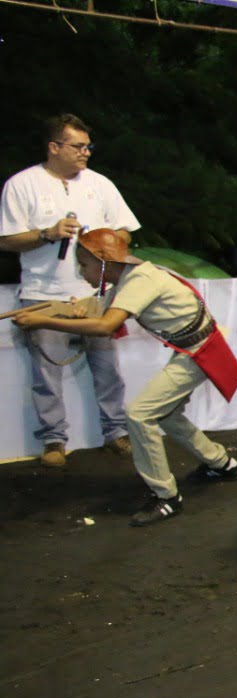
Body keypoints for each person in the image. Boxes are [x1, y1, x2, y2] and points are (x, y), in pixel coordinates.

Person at [13, 230, 237, 525]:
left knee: (139, 414)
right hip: (195, 348)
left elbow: (105, 325)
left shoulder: (139, 281)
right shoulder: (130, 278)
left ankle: (166, 497)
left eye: (84, 265)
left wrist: (44, 321)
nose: (81, 271)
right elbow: (101, 308)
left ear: (104, 262)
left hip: (197, 353)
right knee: (167, 414)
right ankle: (221, 462)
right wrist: (71, 310)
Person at [0, 113, 138, 467]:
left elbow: (125, 231)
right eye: (78, 146)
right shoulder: (21, 184)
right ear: (54, 147)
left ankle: (116, 432)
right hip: (43, 292)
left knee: (107, 366)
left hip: (94, 293)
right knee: (46, 371)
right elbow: (7, 240)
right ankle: (53, 440)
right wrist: (47, 233)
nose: (86, 152)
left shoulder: (101, 184)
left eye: (88, 146)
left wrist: (104, 243)